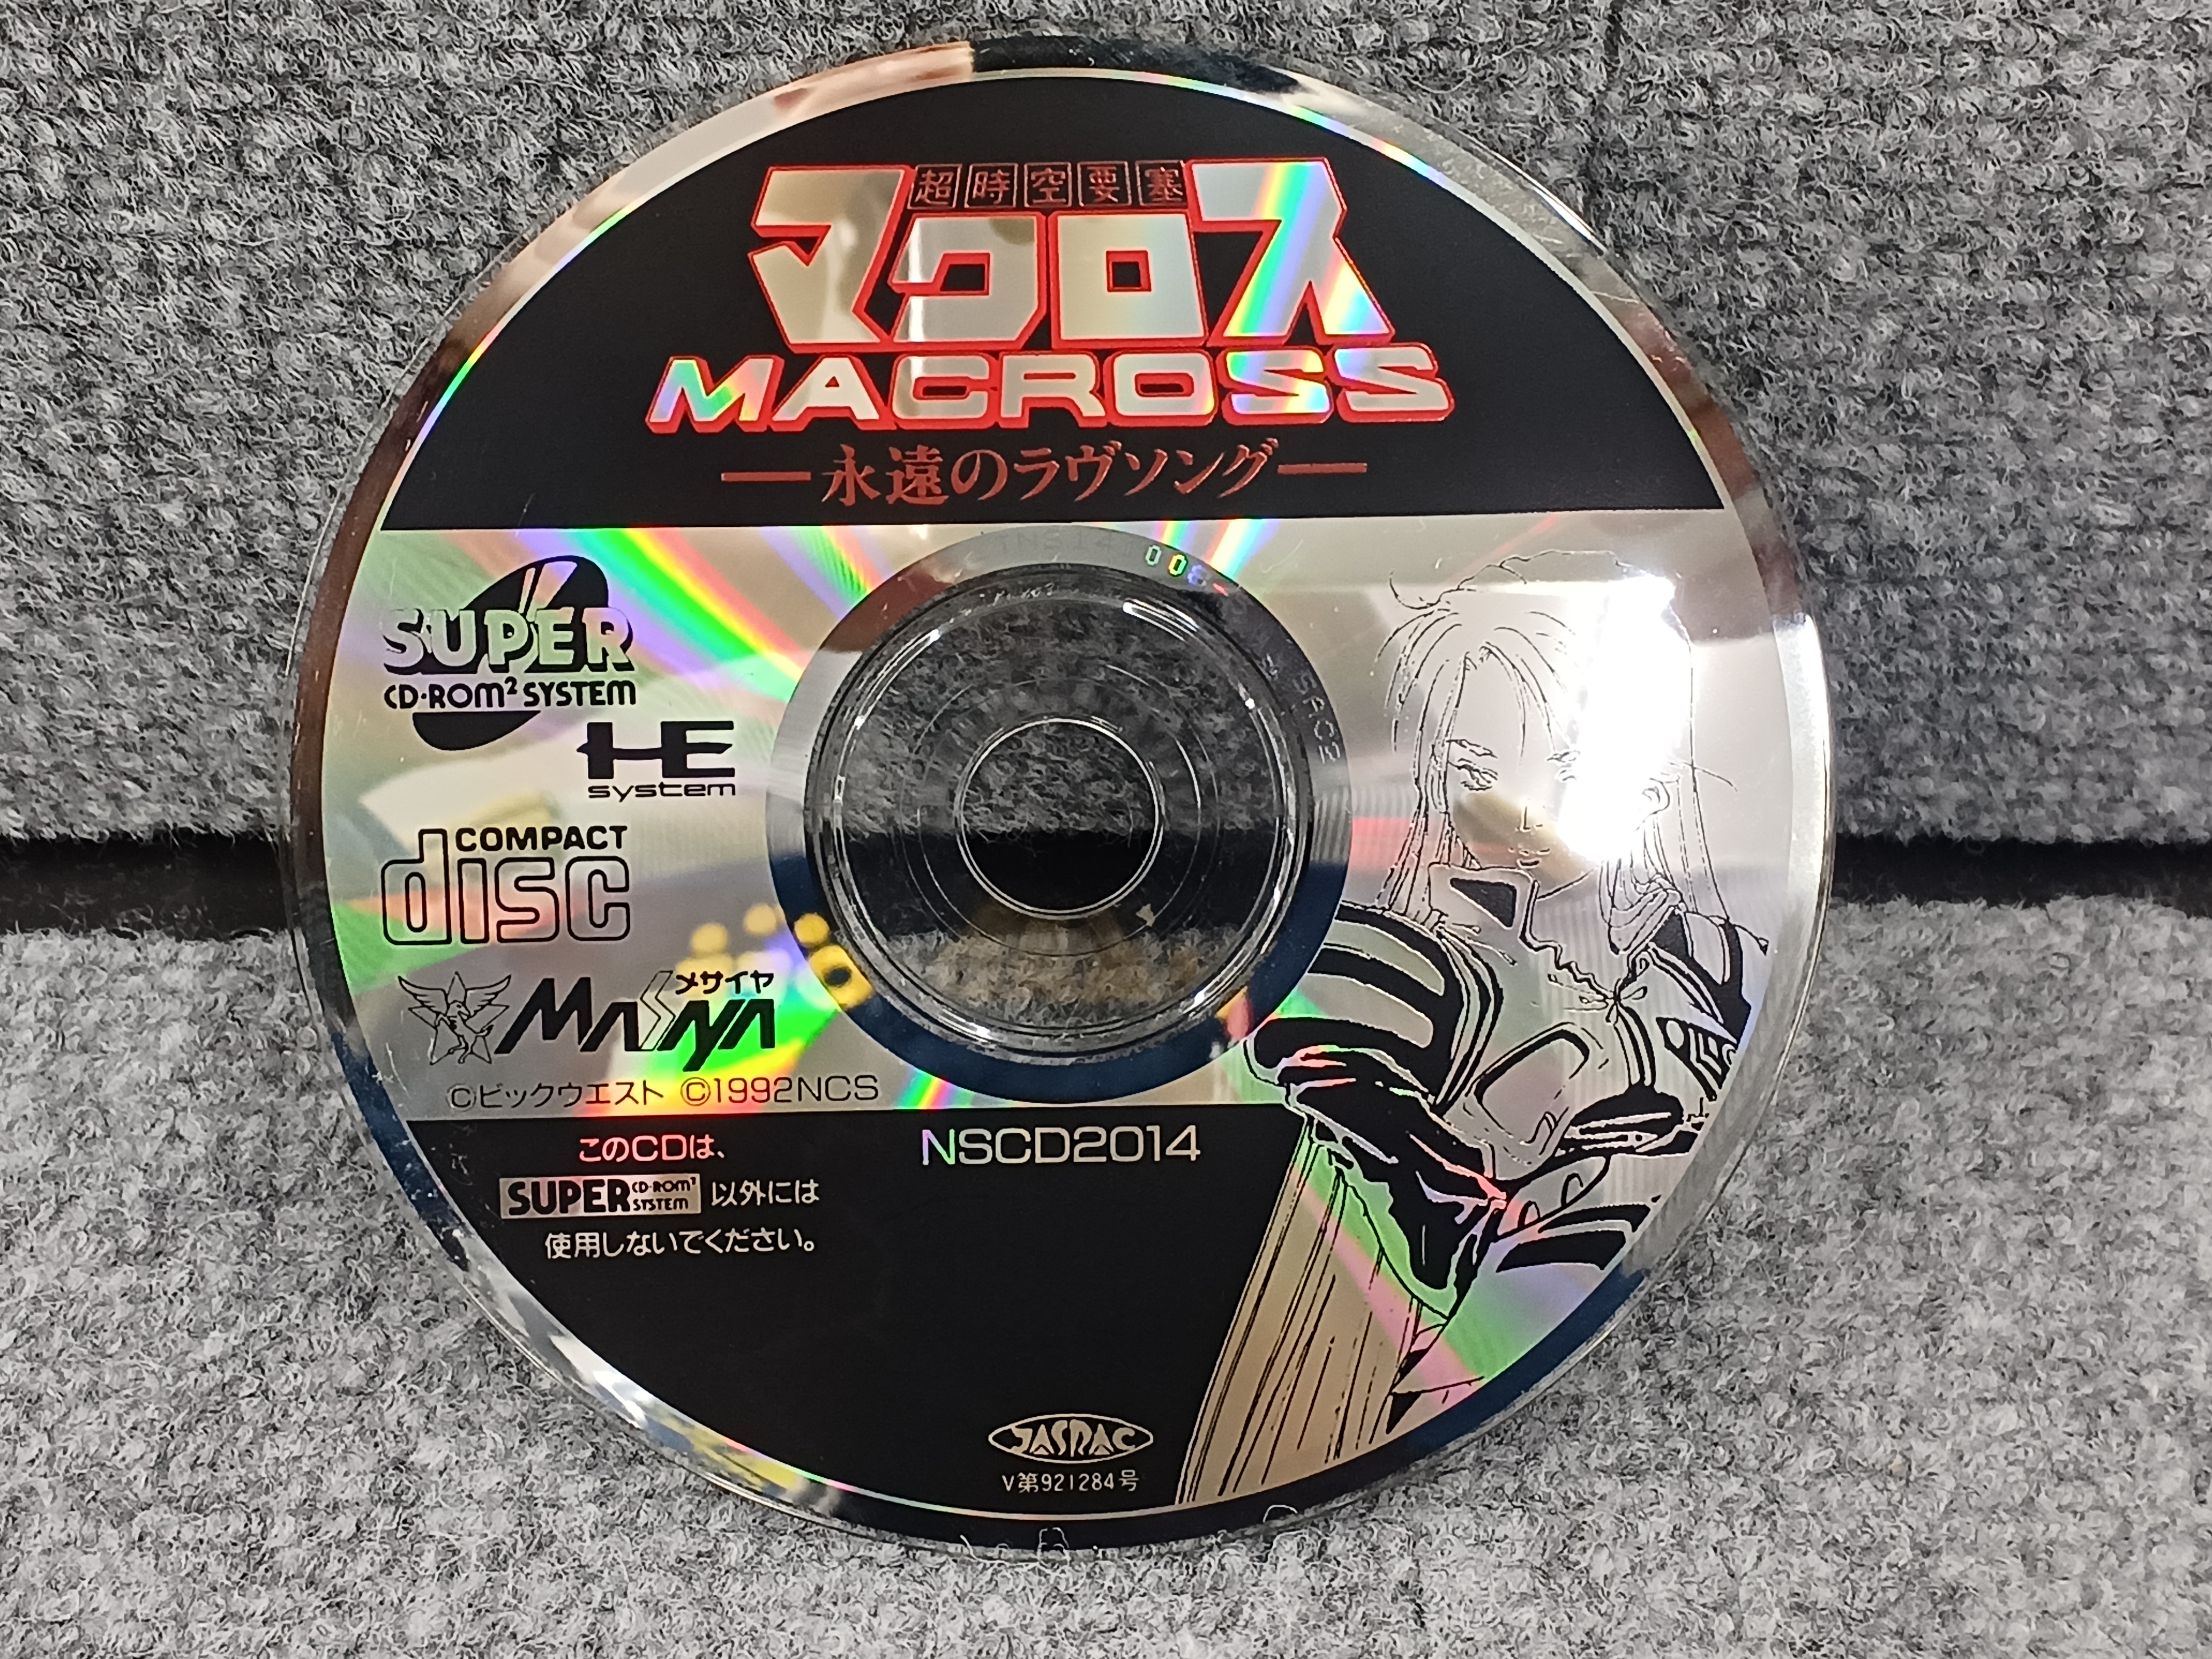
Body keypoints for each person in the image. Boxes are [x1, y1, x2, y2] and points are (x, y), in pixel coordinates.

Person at [1179, 552, 1768, 1503]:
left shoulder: (1717, 954)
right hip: (1411, 1357)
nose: (1508, 809)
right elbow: (1323, 1044)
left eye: (1566, 764)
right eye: (1472, 769)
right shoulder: (1419, 952)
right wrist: (1453, 1188)